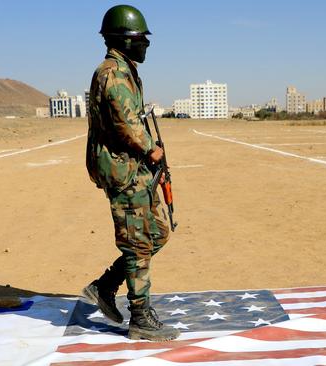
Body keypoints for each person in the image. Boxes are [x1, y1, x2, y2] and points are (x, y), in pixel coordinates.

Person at [83, 4, 180, 342]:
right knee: (137, 242)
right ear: (124, 39)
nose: (146, 44)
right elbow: (126, 124)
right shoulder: (113, 73)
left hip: (136, 167)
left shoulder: (126, 70)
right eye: (141, 38)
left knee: (159, 233)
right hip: (123, 171)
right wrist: (150, 148)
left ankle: (106, 285)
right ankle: (140, 316)